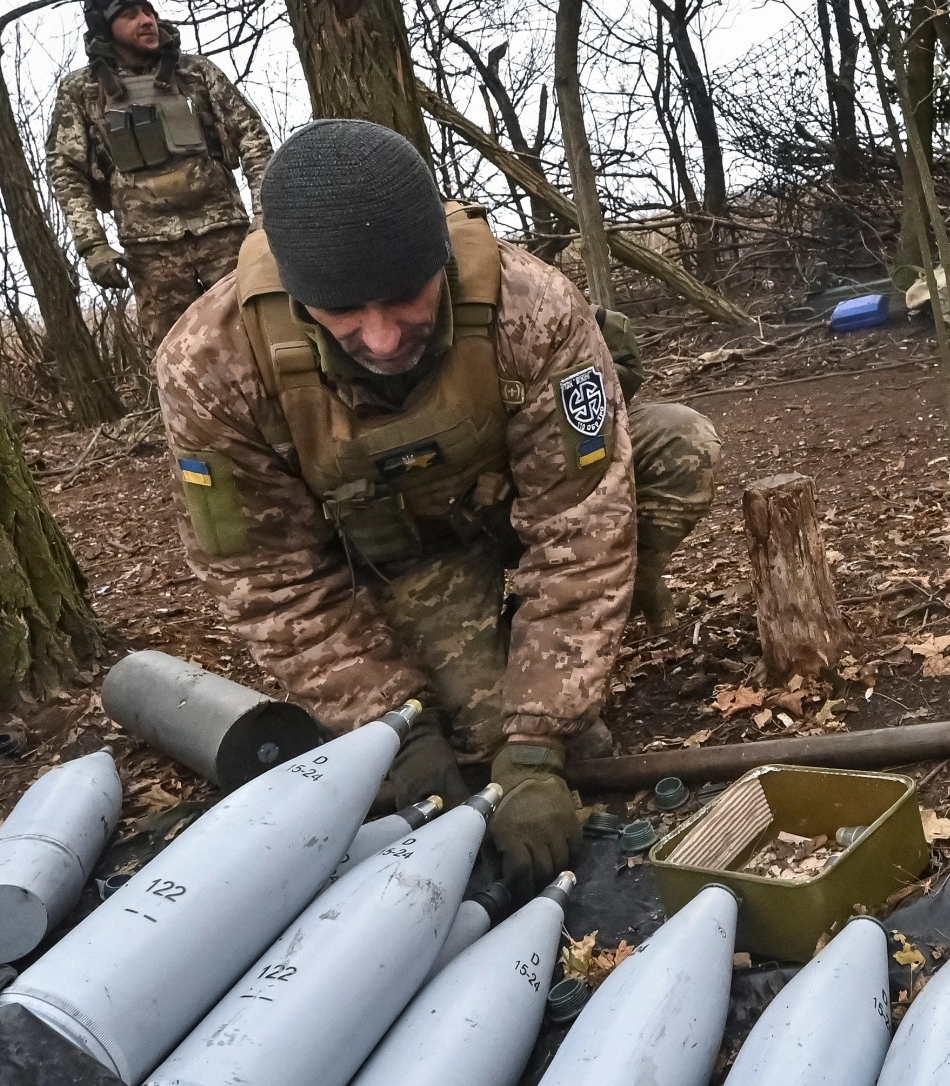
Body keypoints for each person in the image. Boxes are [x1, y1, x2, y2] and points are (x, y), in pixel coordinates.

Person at [154, 119, 722, 894]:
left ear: (443, 264)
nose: (383, 338)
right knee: (472, 745)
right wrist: (393, 722)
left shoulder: (533, 307)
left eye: (403, 299)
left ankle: (601, 626)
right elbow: (268, 579)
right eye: (345, 312)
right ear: (296, 293)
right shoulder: (213, 364)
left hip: (510, 504)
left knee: (679, 446)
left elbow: (582, 527)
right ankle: (470, 659)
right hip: (398, 561)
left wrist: (538, 740)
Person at [46, 0, 273, 350]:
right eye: (130, 14)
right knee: (177, 360)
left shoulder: (196, 72)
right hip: (150, 253)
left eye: (148, 11)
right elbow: (66, 169)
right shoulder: (83, 90)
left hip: (224, 236)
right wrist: (92, 245)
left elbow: (252, 138)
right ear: (104, 27)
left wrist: (265, 214)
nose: (146, 20)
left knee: (259, 341)